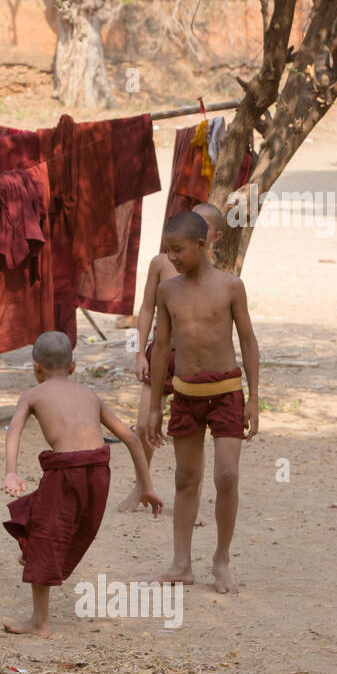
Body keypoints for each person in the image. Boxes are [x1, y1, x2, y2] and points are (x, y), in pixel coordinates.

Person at [1, 332, 162, 636]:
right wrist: (146, 486)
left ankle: (40, 622)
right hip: (98, 470)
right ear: (73, 367)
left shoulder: (32, 395)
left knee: (44, 536)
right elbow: (130, 438)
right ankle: (32, 548)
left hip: (65, 472)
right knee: (36, 515)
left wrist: (11, 472)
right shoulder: (89, 394)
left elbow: (13, 433)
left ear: (35, 368)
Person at [146, 211, 259, 593]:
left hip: (226, 391)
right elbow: (161, 347)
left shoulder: (231, 287)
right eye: (167, 251)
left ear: (201, 244)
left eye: (177, 250)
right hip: (185, 394)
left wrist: (254, 398)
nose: (172, 257)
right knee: (185, 478)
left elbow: (248, 341)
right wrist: (154, 407)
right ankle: (181, 563)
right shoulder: (168, 290)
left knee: (227, 476)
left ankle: (221, 559)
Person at [118, 202, 223, 514]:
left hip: (194, 361)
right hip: (160, 353)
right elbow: (147, 308)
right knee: (141, 425)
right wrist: (138, 353)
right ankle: (142, 486)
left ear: (212, 237)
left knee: (193, 434)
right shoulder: (162, 264)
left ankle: (193, 502)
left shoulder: (218, 276)